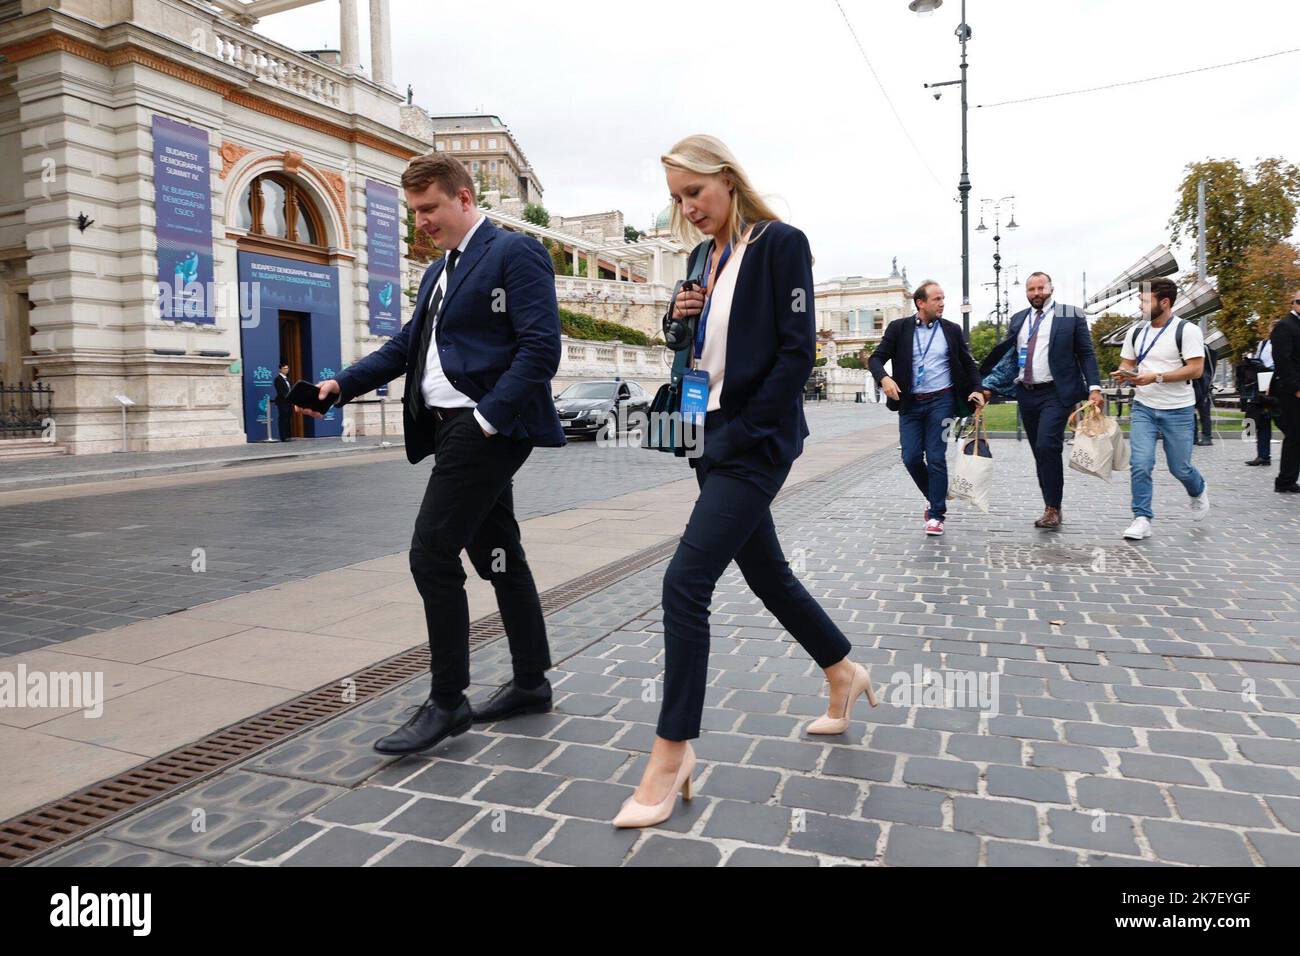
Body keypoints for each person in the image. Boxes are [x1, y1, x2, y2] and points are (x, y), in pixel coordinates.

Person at [612, 134, 879, 830]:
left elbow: (797, 351)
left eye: (694, 193)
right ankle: (841, 670)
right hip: (707, 434)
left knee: (684, 582)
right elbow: (689, 348)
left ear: (726, 179)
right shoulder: (702, 257)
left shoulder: (780, 244)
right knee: (765, 571)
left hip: (753, 442)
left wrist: (755, 431)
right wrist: (678, 322)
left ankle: (672, 752)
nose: (688, 209)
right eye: (677, 198)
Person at [299, 153, 564, 754]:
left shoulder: (512, 253)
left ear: (464, 199)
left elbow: (540, 348)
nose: (420, 221)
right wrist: (339, 385)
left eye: (429, 208)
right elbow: (404, 348)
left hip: (484, 425)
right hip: (446, 427)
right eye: (414, 211)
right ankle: (530, 682)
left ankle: (448, 701)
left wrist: (490, 419)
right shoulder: (441, 272)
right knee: (498, 552)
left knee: (431, 554)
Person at [979, 272, 1104, 528]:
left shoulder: (1070, 314)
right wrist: (989, 385)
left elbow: (1086, 353)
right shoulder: (1019, 319)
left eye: (1040, 288)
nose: (1036, 293)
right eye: (1031, 289)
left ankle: (1052, 508)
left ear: (1051, 288)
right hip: (1026, 393)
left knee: (1048, 446)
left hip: (1056, 393)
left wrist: (1094, 387)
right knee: (1039, 450)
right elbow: (1009, 359)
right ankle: (1050, 503)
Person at [868, 281, 986, 536]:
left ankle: (936, 514)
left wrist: (976, 388)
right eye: (936, 299)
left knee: (935, 456)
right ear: (921, 303)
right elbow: (875, 358)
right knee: (910, 457)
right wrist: (884, 378)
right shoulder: (899, 329)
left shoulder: (952, 331)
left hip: (941, 404)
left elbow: (968, 363)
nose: (942, 303)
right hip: (909, 403)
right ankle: (935, 495)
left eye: (943, 298)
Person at [1115, 277, 1209, 540]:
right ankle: (1141, 518)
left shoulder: (1187, 331)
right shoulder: (1136, 332)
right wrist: (1125, 374)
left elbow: (1196, 369)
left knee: (1180, 468)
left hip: (1178, 409)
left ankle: (1198, 489)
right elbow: (1128, 364)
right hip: (1144, 407)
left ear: (1164, 302)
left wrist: (1156, 377)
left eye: (1145, 301)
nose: (1140, 305)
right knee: (1140, 463)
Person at [1271, 290, 1300, 493]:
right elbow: (1283, 361)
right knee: (1295, 435)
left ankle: (1288, 478)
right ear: (1293, 303)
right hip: (1292, 391)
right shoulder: (1285, 326)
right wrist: (1296, 388)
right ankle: (1285, 480)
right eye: (1299, 301)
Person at [1243, 321, 1277, 467]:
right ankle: (1263, 455)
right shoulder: (1263, 344)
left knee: (1286, 422)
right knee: (1262, 420)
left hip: (1281, 386)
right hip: (1264, 386)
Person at [273, 361, 293, 441]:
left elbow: (290, 390)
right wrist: (287, 398)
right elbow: (280, 392)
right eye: (285, 368)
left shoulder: (288, 379)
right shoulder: (277, 379)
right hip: (282, 402)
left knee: (288, 419)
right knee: (283, 419)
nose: (287, 370)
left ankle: (288, 436)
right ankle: (283, 437)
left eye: (287, 368)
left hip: (289, 402)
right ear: (280, 369)